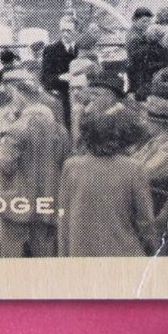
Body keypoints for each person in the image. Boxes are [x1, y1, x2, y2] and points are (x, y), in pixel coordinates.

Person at [0, 68, 69, 258]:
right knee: (46, 256)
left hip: (17, 205)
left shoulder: (16, 130)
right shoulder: (59, 130)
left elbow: (3, 165)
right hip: (48, 201)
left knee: (13, 257)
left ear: (16, 93)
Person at [57, 109, 158, 257]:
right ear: (116, 136)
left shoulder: (71, 167)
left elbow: (63, 216)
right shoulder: (133, 169)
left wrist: (63, 254)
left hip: (81, 254)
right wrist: (152, 248)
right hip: (123, 254)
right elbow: (145, 220)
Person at [40, 15, 80, 128]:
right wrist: (60, 77)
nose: (65, 34)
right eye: (62, 30)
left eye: (69, 31)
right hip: (61, 98)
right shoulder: (50, 50)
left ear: (76, 31)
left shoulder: (81, 49)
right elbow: (45, 78)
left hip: (80, 98)